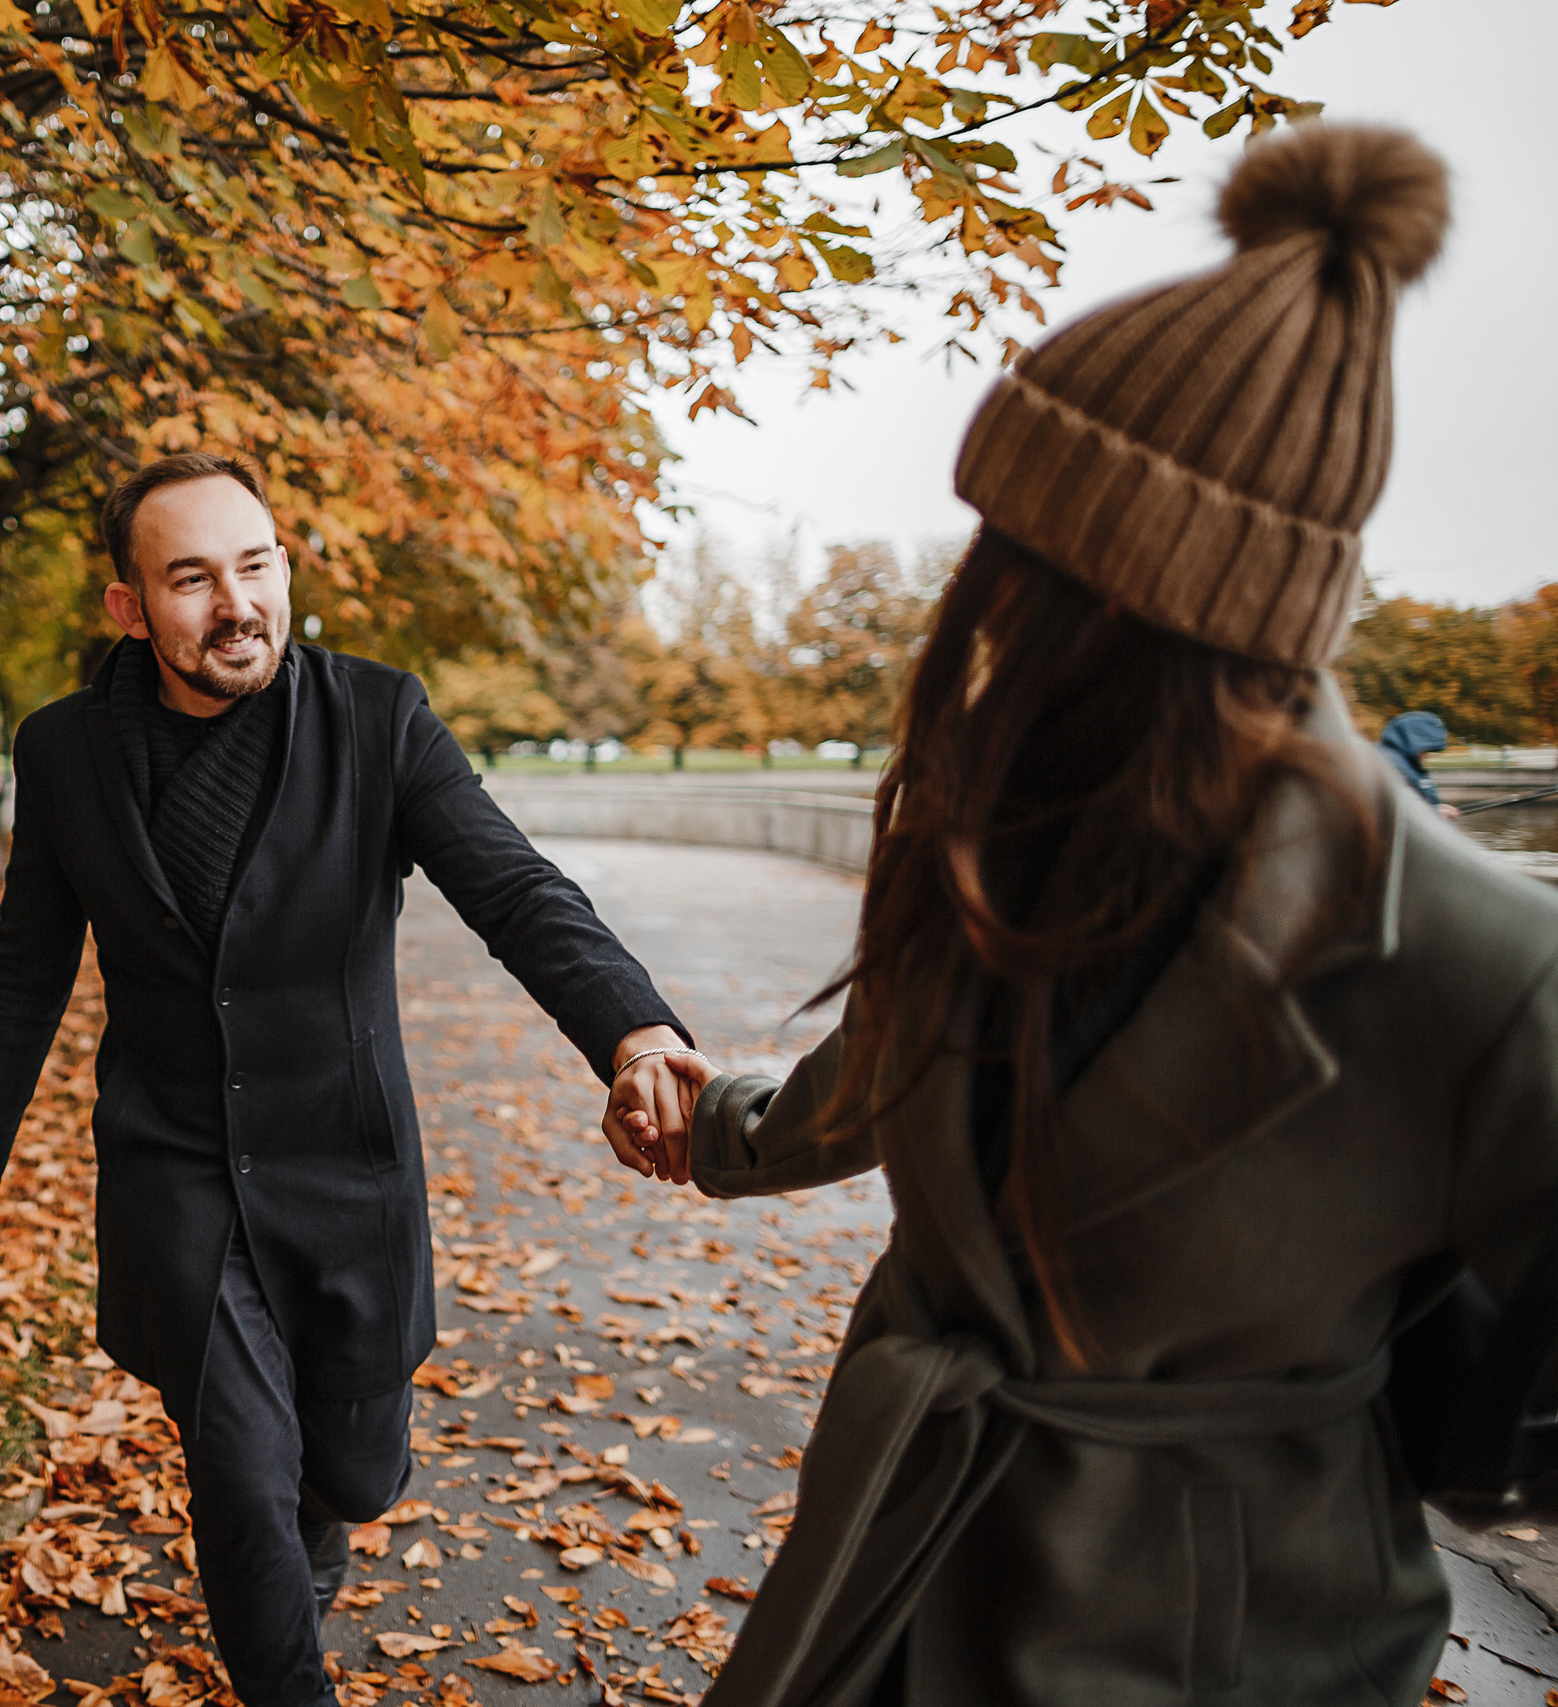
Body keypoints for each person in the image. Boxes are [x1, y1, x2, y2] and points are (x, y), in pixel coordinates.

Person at [632, 125, 1558, 1706]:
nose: (978, 594)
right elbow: (892, 1070)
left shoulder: (1480, 961)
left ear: (1138, 589)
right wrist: (715, 1125)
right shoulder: (1009, 816)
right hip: (900, 1579)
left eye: (1022, 550)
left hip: (1216, 1650)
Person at [0, 452, 699, 1707]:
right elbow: (25, 972)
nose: (236, 603)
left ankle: (316, 1527)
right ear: (129, 608)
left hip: (347, 1172)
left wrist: (637, 1036)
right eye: (190, 579)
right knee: (235, 1466)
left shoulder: (377, 720)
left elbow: (514, 891)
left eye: (256, 564)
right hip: (175, 1174)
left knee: (348, 1475)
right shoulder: (61, 752)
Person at [1379, 709, 1462, 819]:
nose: (1425, 756)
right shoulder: (1388, 764)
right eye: (1425, 750)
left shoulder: (1403, 762)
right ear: (1413, 742)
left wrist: (1436, 808)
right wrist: (1433, 813)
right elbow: (1385, 809)